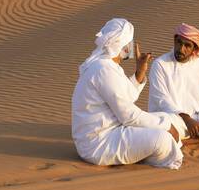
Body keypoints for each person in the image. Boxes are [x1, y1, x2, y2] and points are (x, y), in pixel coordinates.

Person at [72, 18, 185, 168]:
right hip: (99, 144)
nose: (132, 47)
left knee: (167, 118)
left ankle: (154, 148)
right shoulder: (103, 70)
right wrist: (165, 127)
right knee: (162, 138)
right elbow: (129, 116)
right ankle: (155, 157)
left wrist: (140, 71)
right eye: (130, 43)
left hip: (112, 132)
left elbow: (126, 97)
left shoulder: (109, 66)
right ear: (122, 46)